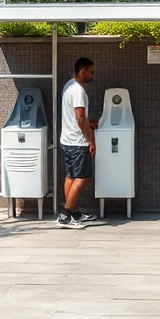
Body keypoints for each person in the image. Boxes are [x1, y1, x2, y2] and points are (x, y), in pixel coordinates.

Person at [57, 58, 99, 229]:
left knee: (71, 176)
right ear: (83, 71)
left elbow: (80, 118)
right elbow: (80, 117)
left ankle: (75, 214)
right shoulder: (78, 90)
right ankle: (65, 215)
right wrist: (90, 139)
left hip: (67, 139)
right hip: (78, 141)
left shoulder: (68, 85)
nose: (92, 75)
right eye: (91, 71)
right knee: (83, 177)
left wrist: (90, 123)